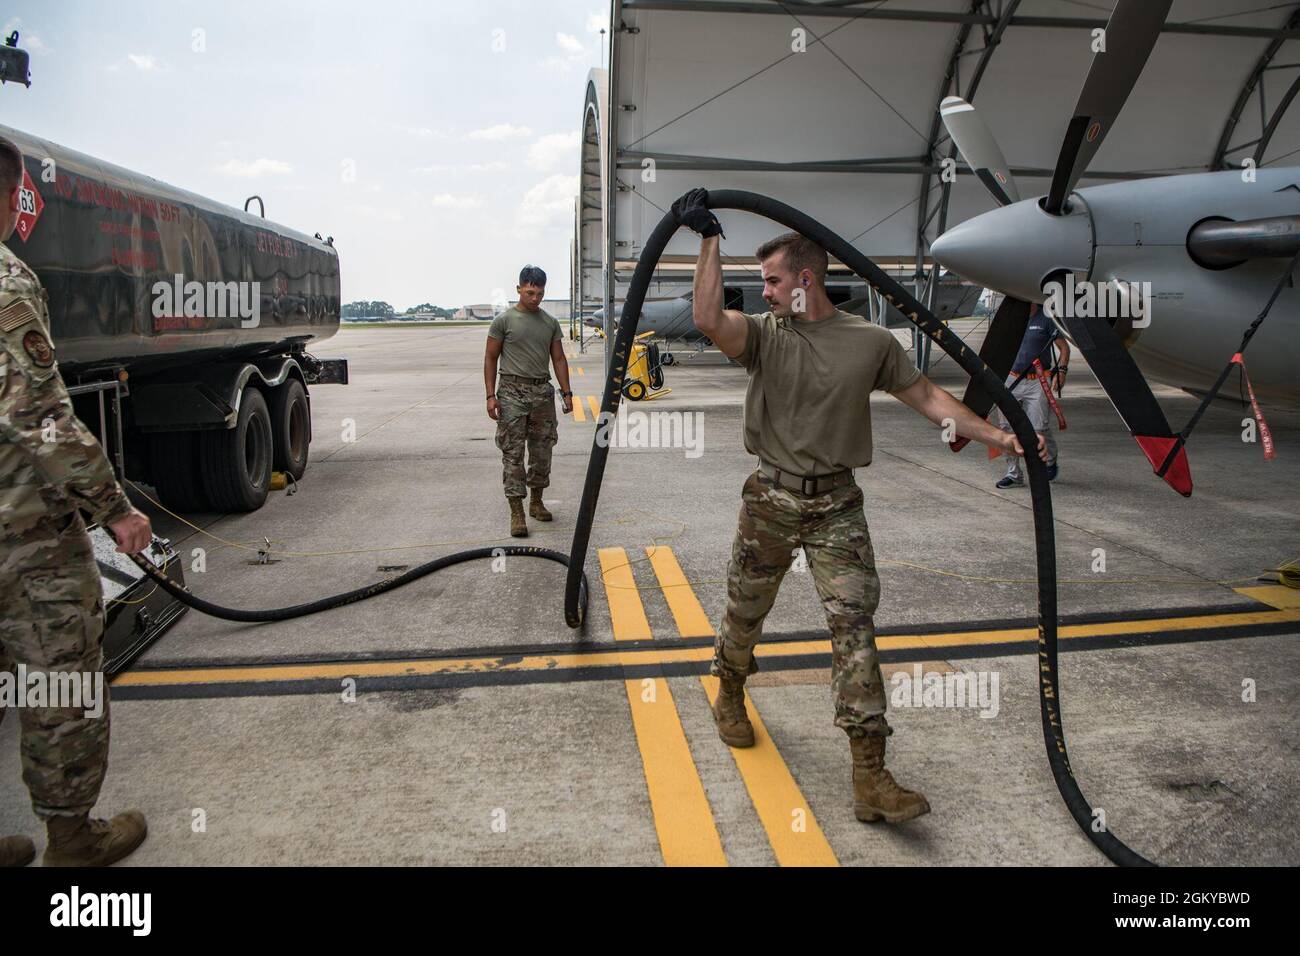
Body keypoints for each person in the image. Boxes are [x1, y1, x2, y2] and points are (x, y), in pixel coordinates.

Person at [673, 187, 1046, 824]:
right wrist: (708, 239)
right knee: (745, 610)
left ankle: (870, 775)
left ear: (805, 279)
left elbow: (930, 399)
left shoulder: (870, 343)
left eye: (770, 280)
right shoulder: (765, 335)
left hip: (837, 505)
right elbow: (710, 320)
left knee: (856, 630)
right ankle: (729, 689)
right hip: (770, 496)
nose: (762, 291)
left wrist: (1001, 436)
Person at [0, 136, 152, 867]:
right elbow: (41, 416)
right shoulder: (5, 282)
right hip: (21, 532)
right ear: (10, 197)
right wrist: (114, 509)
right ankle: (71, 837)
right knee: (60, 673)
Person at [483, 265, 573, 537]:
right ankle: (516, 511)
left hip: (541, 394)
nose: (535, 298)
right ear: (519, 288)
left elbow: (558, 359)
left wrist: (567, 393)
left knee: (542, 451)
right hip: (511, 392)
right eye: (530, 292)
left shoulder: (549, 323)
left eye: (540, 293)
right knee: (513, 453)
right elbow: (490, 358)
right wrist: (490, 395)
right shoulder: (504, 321)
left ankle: (536, 502)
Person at [994, 303, 1069, 488]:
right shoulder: (1010, 318)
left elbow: (1064, 348)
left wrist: (1061, 372)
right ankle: (1014, 475)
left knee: (1039, 429)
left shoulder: (1046, 317)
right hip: (1011, 378)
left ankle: (1049, 460)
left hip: (1038, 380)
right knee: (1007, 428)